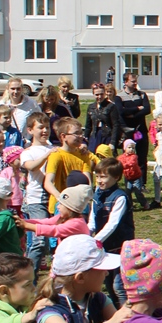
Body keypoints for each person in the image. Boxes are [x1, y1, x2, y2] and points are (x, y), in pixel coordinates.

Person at [19, 113, 55, 269]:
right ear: (30, 130)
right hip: (36, 200)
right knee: (39, 241)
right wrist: (48, 155)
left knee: (54, 240)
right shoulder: (27, 152)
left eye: (47, 127)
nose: (45, 131)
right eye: (40, 127)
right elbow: (31, 167)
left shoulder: (54, 148)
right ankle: (30, 277)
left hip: (54, 198)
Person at [42, 118, 97, 213]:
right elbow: (48, 183)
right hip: (60, 206)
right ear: (63, 136)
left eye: (81, 133)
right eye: (76, 133)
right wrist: (61, 198)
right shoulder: (56, 155)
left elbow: (87, 182)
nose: (80, 136)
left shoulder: (83, 155)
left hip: (79, 206)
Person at [88, 157, 135, 258]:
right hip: (102, 243)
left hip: (119, 245)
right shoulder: (97, 195)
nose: (99, 181)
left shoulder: (120, 197)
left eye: (103, 177)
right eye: (97, 177)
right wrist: (86, 237)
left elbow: (112, 224)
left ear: (116, 177)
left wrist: (95, 241)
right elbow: (92, 220)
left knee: (117, 272)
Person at [21, 184, 93, 242]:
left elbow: (55, 230)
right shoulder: (63, 217)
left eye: (61, 204)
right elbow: (46, 222)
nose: (58, 207)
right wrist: (24, 222)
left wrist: (26, 225)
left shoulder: (76, 224)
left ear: (71, 208)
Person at [115, 73, 152, 177]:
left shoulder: (142, 94)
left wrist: (132, 115)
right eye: (133, 81)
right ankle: (129, 181)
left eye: (136, 81)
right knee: (128, 157)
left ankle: (142, 184)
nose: (135, 83)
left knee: (142, 157)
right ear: (125, 82)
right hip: (127, 131)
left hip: (141, 130)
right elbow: (121, 111)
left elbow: (147, 109)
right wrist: (137, 108)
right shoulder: (119, 97)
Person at [85, 83, 122, 155]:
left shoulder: (111, 106)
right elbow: (88, 126)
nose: (99, 97)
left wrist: (113, 142)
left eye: (101, 94)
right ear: (93, 94)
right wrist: (85, 140)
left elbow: (116, 125)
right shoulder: (91, 107)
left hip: (107, 136)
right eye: (97, 95)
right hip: (95, 136)